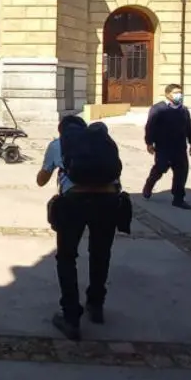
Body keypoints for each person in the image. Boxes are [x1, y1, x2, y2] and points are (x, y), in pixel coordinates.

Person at [37, 115, 123, 340]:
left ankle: (71, 318)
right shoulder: (103, 142)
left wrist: (54, 169)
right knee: (100, 254)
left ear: (62, 130)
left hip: (73, 203)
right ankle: (96, 305)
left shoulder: (59, 144)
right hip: (108, 201)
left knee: (66, 258)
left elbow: (41, 180)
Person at [143, 83, 191, 210]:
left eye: (180, 92)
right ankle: (149, 185)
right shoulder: (158, 109)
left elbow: (189, 127)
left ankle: (178, 199)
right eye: (175, 93)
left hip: (180, 148)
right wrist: (149, 143)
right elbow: (150, 126)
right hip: (163, 147)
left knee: (181, 173)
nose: (179, 95)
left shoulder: (183, 110)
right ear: (167, 94)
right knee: (160, 169)